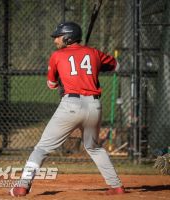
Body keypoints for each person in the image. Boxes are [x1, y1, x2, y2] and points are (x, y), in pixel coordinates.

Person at [9, 22, 125, 196]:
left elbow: (51, 84)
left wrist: (62, 81)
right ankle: (116, 185)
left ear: (68, 37)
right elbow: (116, 66)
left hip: (71, 105)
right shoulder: (93, 52)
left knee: (41, 149)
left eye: (58, 36)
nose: (55, 40)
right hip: (94, 106)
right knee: (93, 147)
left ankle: (22, 185)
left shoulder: (57, 55)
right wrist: (92, 62)